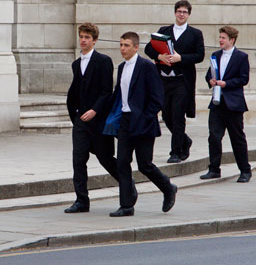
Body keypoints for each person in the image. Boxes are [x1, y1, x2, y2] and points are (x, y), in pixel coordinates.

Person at [108, 32, 177, 217]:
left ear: (136, 47)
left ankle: (168, 188)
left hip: (144, 123)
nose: (122, 48)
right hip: (125, 121)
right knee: (122, 163)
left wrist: (146, 117)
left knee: (145, 165)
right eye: (121, 44)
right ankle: (126, 205)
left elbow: (157, 98)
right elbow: (119, 95)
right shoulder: (121, 67)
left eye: (126, 45)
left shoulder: (146, 66)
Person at [65, 22, 121, 213]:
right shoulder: (76, 64)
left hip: (98, 121)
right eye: (81, 36)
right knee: (78, 160)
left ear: (94, 40)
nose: (83, 40)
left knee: (106, 158)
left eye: (87, 37)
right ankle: (82, 201)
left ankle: (128, 187)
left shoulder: (103, 61)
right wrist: (75, 115)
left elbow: (107, 91)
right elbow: (75, 91)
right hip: (81, 121)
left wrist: (95, 111)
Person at [145, 0, 205, 163]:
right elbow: (148, 48)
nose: (181, 14)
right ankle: (185, 140)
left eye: (184, 12)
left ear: (189, 14)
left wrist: (181, 58)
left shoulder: (195, 33)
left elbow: (200, 55)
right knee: (166, 115)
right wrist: (159, 56)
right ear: (175, 12)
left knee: (178, 115)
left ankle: (176, 152)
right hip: (164, 80)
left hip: (182, 81)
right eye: (179, 11)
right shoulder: (164, 31)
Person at [200, 26, 252, 183]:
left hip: (234, 104)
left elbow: (244, 79)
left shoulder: (241, 57)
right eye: (220, 37)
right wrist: (210, 80)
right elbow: (210, 73)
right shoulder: (215, 55)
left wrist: (226, 83)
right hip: (217, 103)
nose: (220, 40)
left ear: (232, 40)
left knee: (237, 138)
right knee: (214, 137)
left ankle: (245, 170)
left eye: (223, 37)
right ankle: (214, 169)